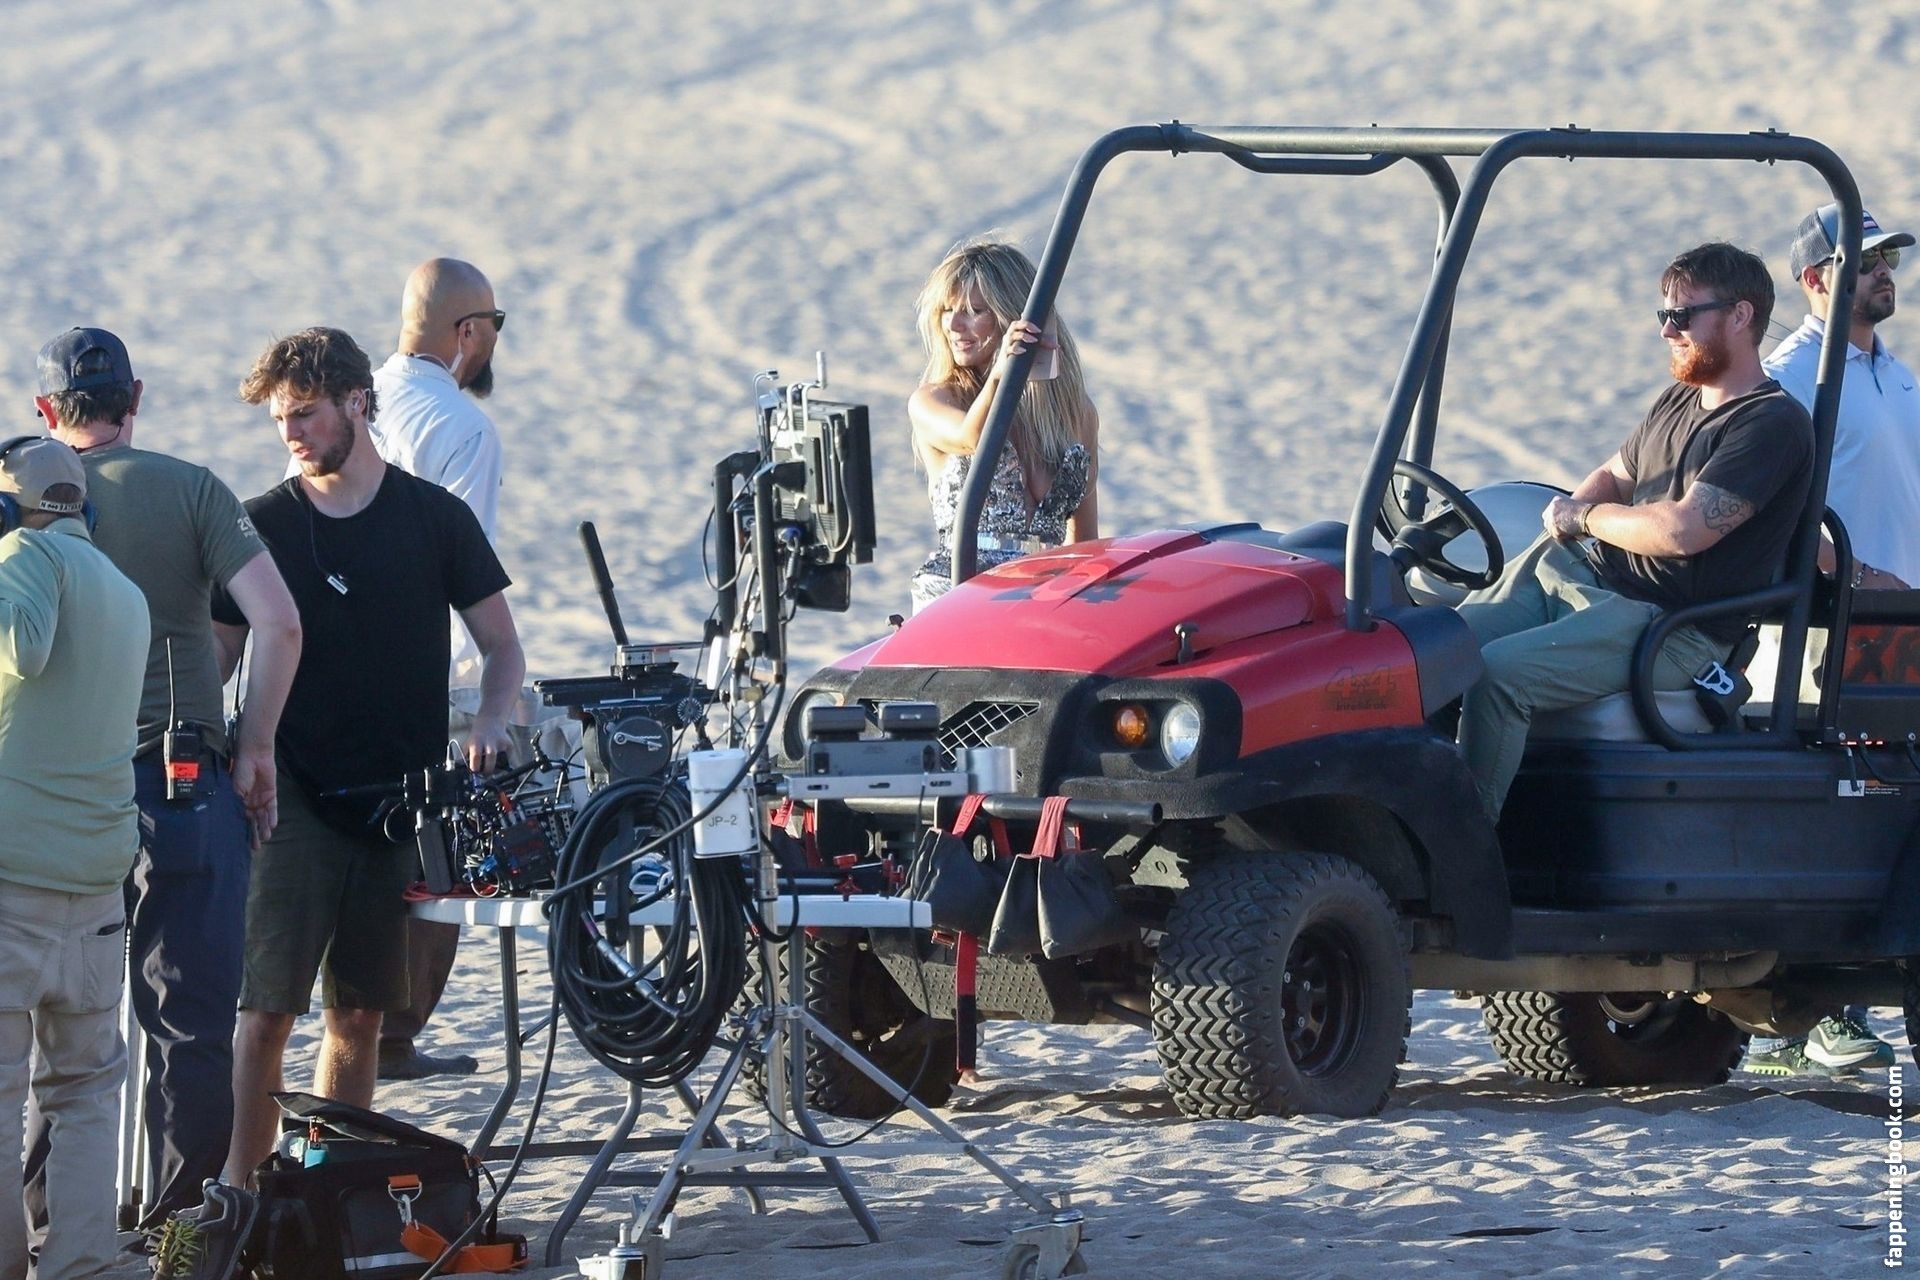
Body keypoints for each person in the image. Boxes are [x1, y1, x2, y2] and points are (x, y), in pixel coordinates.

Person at [211, 328, 524, 1210]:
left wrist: (492, 719)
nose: (291, 434)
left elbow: (502, 647)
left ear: (357, 401)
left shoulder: (434, 518)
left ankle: (329, 1190)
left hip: (399, 799)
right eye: (280, 419)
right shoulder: (262, 524)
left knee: (359, 1014)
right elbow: (219, 655)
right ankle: (243, 1192)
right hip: (288, 795)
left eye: (305, 414)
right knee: (266, 1009)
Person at [16, 328, 303, 1245]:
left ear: (44, 411)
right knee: (188, 1020)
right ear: (134, 396)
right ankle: (179, 1235)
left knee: (63, 1032)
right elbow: (278, 624)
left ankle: (56, 1228)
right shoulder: (192, 489)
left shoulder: (27, 504)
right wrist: (254, 748)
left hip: (66, 797)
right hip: (182, 780)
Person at [1456, 242, 1814, 822]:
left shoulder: (1771, 423)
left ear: (1740, 316)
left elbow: (1684, 531)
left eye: (1683, 315)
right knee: (1427, 650)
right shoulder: (1679, 398)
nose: (1668, 331)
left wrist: (1582, 519)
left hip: (1668, 625)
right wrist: (1576, 510)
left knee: (1498, 677)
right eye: (1663, 315)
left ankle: (1460, 855)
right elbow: (1616, 475)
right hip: (1586, 578)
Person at [1743, 204, 1920, 1078]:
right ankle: (1806, 1019)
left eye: (1890, 258)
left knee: (1887, 800)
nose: (1886, 272)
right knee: (1835, 799)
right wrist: (1849, 573)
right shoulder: (1793, 376)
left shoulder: (1896, 375)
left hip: (1900, 630)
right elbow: (1778, 507)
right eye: (1867, 259)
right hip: (1827, 629)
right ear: (1817, 279)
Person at [0, 438, 150, 1280]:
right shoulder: (125, 591)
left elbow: (24, 649)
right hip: (96, 880)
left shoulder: (24, 556)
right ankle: (82, 1263)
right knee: (86, 1091)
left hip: (12, 874)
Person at [365, 258, 506, 1082]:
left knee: (369, 855)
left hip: (335, 663)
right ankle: (394, 1036)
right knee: (436, 859)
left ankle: (370, 1034)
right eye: (494, 326)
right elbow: (465, 570)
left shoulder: (350, 404)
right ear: (468, 332)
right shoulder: (462, 426)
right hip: (426, 673)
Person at [907, 239, 1100, 611]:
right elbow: (973, 438)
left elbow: (1084, 541)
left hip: (1043, 593)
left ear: (1014, 318)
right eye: (946, 310)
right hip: (959, 594)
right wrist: (1000, 376)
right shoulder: (933, 400)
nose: (954, 325)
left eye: (974, 311)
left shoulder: (1076, 413)